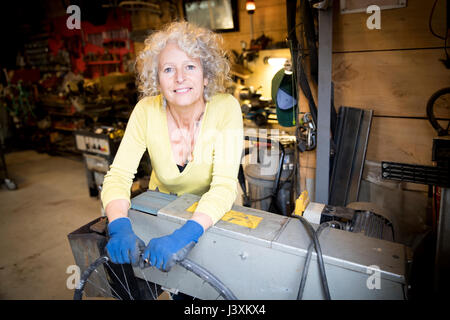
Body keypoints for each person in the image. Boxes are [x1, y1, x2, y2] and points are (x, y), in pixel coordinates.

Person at [101, 21, 244, 273]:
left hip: (214, 213)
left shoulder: (226, 108)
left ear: (207, 75)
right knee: (173, 284)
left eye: (190, 66)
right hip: (164, 209)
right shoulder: (146, 110)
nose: (180, 78)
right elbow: (119, 175)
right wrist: (119, 226)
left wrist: (185, 235)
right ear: (157, 79)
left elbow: (223, 186)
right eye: (168, 69)